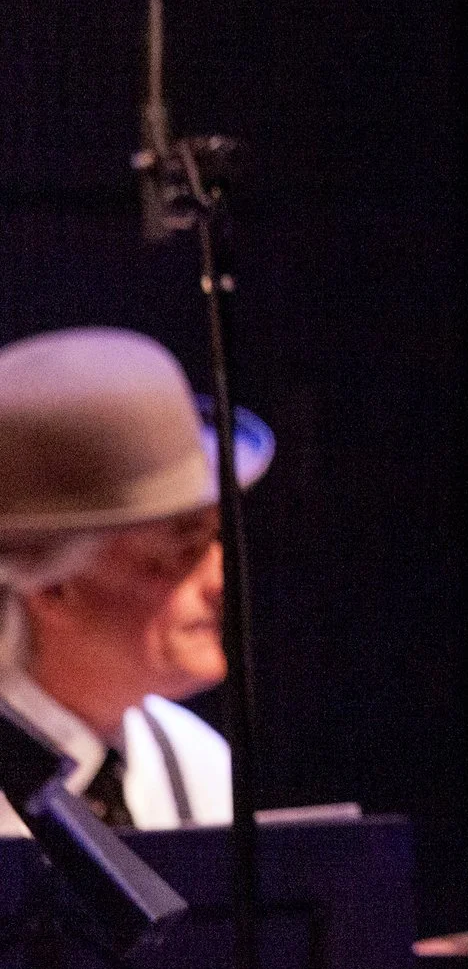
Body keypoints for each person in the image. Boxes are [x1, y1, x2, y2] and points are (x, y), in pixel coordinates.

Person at [0, 327, 269, 834]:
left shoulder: (198, 768)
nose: (221, 580)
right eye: (182, 550)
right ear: (51, 586)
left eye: (218, 540)